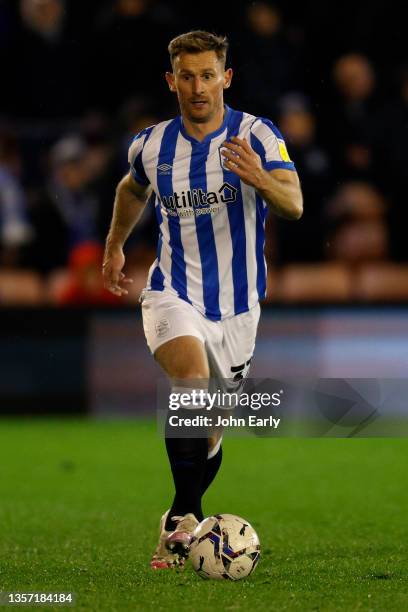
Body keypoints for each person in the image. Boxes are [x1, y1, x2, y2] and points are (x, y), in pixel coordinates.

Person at [102, 30, 303, 569]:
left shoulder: (257, 136)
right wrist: (115, 246)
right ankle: (187, 523)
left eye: (208, 75)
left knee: (211, 427)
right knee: (188, 386)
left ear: (226, 78)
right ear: (172, 81)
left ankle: (179, 515)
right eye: (186, 76)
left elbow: (294, 204)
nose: (198, 87)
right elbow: (130, 188)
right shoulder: (152, 144)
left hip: (239, 307)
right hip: (173, 292)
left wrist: (257, 176)